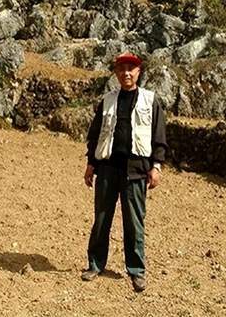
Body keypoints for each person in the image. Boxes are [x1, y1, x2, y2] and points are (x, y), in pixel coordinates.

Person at [81, 52, 168, 292]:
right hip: (107, 169)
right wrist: (91, 163)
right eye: (121, 69)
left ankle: (136, 270)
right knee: (101, 219)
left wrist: (156, 166)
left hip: (136, 171)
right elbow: (96, 134)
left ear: (139, 72)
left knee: (134, 223)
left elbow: (159, 136)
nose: (126, 73)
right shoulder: (107, 100)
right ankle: (95, 264)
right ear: (116, 73)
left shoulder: (150, 101)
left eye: (131, 68)